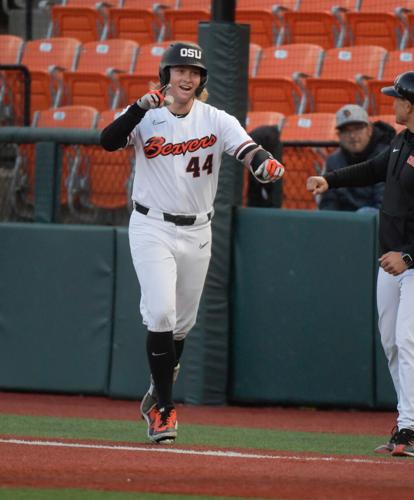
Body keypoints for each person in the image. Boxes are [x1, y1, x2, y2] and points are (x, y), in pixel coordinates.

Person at [99, 41, 285, 444]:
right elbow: (108, 141)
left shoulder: (215, 118)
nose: (187, 78)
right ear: (166, 75)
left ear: (202, 79)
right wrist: (137, 109)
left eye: (194, 72)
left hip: (199, 230)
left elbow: (247, 148)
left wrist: (264, 164)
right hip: (151, 226)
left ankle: (159, 382)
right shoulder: (145, 115)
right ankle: (164, 410)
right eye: (180, 71)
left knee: (182, 327)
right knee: (161, 314)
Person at [306, 71, 414, 457]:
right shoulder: (403, 138)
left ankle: (408, 429)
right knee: (392, 343)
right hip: (392, 262)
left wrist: (409, 254)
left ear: (411, 104)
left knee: (410, 340)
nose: (392, 103)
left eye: (397, 98)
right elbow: (377, 168)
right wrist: (331, 179)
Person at [318, 104, 395, 212]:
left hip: (378, 220)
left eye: (357, 129)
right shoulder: (333, 161)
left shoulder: (385, 155)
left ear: (369, 130)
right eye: (346, 131)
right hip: (345, 221)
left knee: (365, 212)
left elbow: (384, 203)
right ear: (339, 135)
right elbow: (329, 201)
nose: (352, 136)